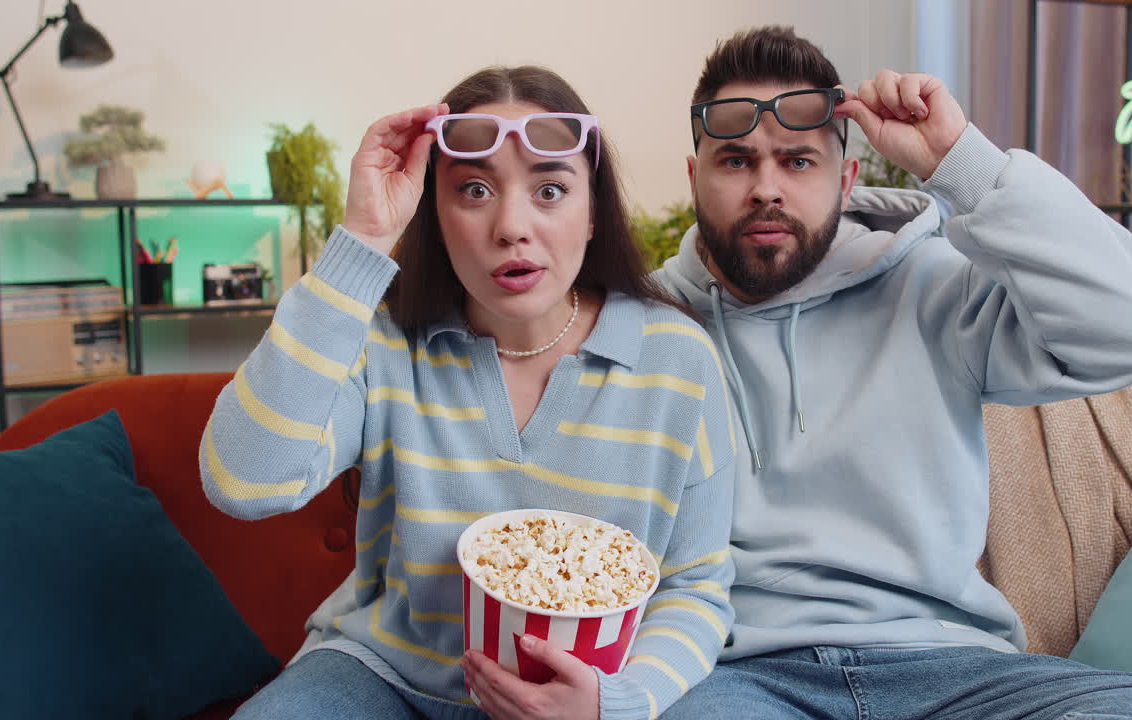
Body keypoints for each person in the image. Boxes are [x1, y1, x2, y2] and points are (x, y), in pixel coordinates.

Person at [651, 26, 1132, 720]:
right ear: (694, 177)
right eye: (735, 162)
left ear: (846, 181)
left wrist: (960, 161)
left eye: (797, 162)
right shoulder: (650, 326)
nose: (766, 189)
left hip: (948, 668)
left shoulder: (934, 288)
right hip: (737, 676)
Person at [202, 65, 736, 720]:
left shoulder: (677, 359)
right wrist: (362, 242)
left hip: (582, 700)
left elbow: (696, 588)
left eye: (549, 189)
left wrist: (614, 703)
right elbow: (242, 480)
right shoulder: (386, 343)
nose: (512, 226)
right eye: (475, 190)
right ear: (436, 213)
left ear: (592, 212)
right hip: (381, 677)